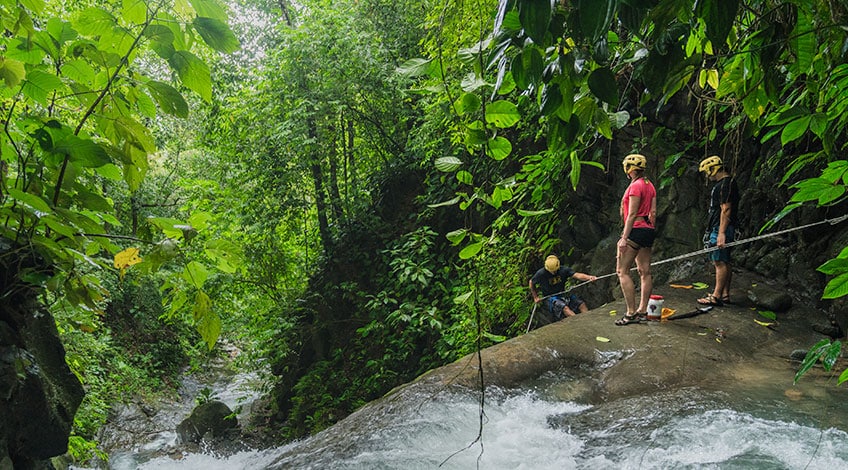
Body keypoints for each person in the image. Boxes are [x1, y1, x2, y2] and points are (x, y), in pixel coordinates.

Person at [615, 153, 657, 326]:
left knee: (622, 271)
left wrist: (624, 238)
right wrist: (649, 229)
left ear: (629, 169)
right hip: (648, 229)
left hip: (636, 230)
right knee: (644, 271)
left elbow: (631, 213)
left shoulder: (635, 187)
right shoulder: (650, 185)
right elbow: (653, 213)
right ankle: (642, 310)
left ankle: (631, 313)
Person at [697, 155, 739, 306]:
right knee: (725, 260)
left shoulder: (724, 185)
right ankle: (725, 294)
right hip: (723, 227)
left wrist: (721, 233)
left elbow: (726, 209)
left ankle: (716, 296)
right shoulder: (729, 183)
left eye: (707, 171)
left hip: (720, 228)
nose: (707, 175)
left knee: (719, 261)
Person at [529, 254, 597, 321]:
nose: (553, 272)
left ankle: (588, 320)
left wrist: (589, 277)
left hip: (563, 294)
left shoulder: (563, 270)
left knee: (581, 304)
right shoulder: (541, 273)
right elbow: (531, 282)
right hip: (550, 297)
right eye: (551, 271)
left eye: (555, 270)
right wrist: (535, 297)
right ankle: (579, 323)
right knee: (565, 308)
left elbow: (577, 275)